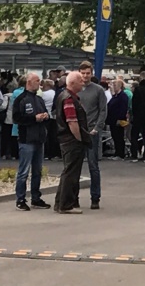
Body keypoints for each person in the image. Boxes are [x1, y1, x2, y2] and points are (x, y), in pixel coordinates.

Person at [12, 73, 52, 211]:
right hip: (26, 139)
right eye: (37, 81)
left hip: (39, 139)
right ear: (29, 82)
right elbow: (16, 118)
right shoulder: (20, 99)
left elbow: (46, 113)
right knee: (23, 171)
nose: (39, 83)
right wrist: (34, 118)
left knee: (37, 171)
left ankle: (36, 198)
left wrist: (45, 116)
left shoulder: (39, 99)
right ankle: (20, 199)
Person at [54, 71, 92, 214]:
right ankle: (66, 205)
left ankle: (61, 203)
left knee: (68, 171)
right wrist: (79, 138)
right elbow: (72, 122)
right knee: (71, 173)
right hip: (71, 140)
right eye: (80, 80)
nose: (83, 82)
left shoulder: (64, 96)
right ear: (72, 83)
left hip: (66, 139)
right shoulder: (69, 99)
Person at [78, 61, 107, 209]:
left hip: (92, 131)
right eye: (83, 73)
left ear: (91, 73)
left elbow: (103, 110)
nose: (85, 76)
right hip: (77, 131)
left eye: (87, 73)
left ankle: (95, 197)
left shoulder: (98, 90)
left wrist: (97, 127)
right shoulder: (75, 89)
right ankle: (73, 197)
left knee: (93, 165)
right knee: (75, 165)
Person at [107, 79, 129, 160]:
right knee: (114, 136)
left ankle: (120, 154)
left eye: (115, 85)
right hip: (112, 119)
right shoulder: (115, 96)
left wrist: (120, 118)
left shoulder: (123, 96)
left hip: (118, 120)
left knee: (119, 136)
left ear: (119, 86)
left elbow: (123, 108)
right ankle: (117, 152)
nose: (113, 87)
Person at [41, 79, 60, 160]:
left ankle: (46, 153)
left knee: (46, 136)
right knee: (53, 136)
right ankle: (53, 153)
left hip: (46, 116)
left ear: (47, 85)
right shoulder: (55, 93)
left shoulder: (44, 94)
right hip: (54, 117)